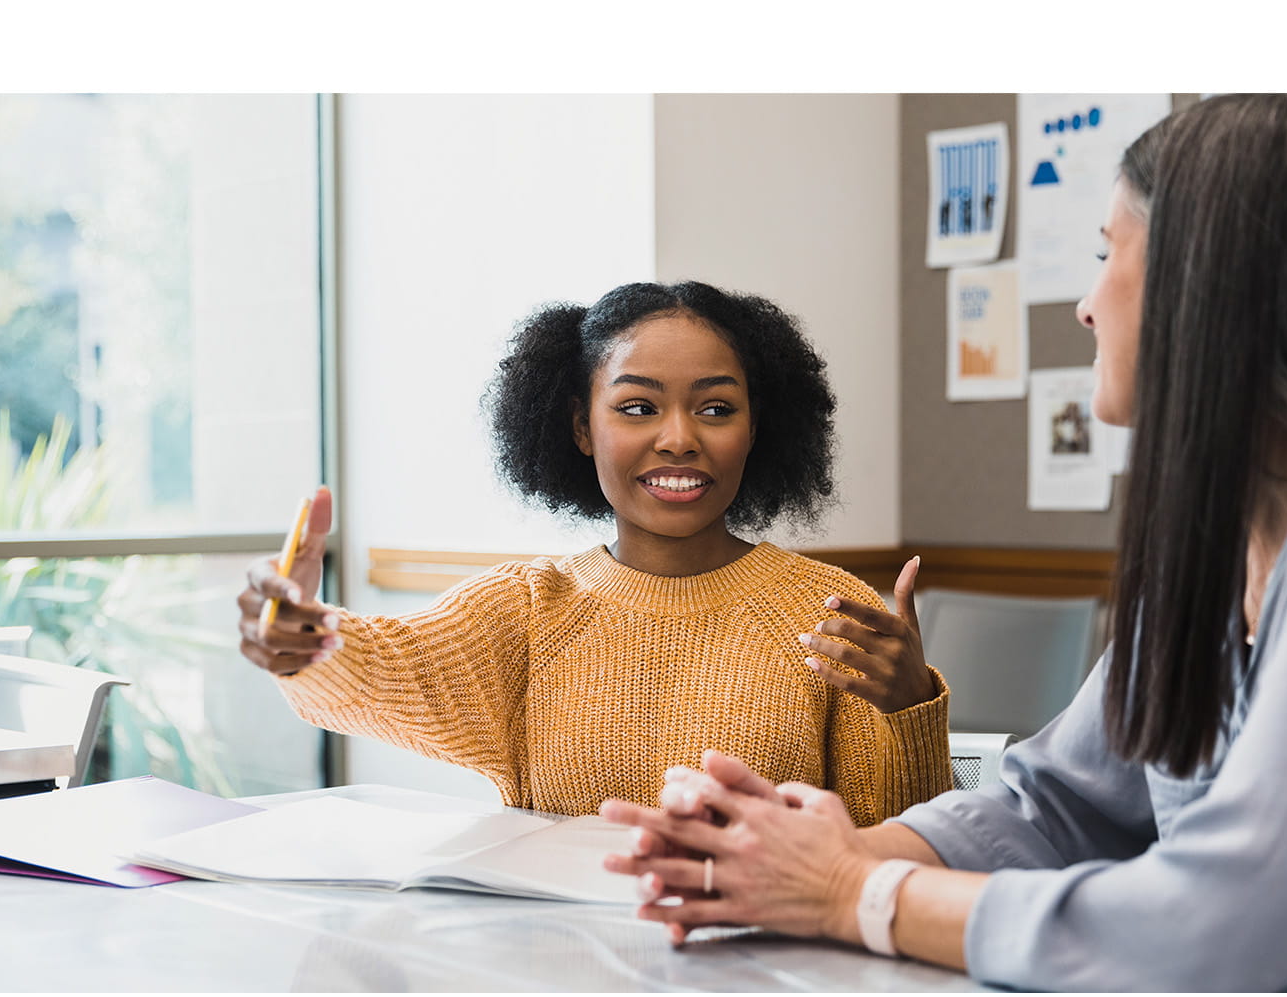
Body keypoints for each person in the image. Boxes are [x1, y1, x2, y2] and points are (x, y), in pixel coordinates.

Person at [605, 97, 1287, 988]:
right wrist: (794, 851)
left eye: (1108, 253)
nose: (1087, 304)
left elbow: (1226, 919)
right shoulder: (1213, 538)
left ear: (1201, 283)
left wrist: (850, 892)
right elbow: (1057, 802)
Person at [236, 281, 951, 822]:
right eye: (638, 407)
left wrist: (911, 707)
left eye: (715, 408)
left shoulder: (829, 614)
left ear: (757, 429)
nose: (679, 439)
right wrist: (301, 638)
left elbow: (903, 851)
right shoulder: (526, 610)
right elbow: (384, 666)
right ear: (582, 428)